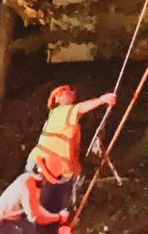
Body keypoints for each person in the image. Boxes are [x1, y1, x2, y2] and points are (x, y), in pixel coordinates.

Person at [26, 85, 116, 216]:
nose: (71, 93)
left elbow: (71, 149)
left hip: (60, 174)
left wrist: (76, 169)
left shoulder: (71, 124)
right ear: (56, 98)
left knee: (55, 211)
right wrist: (102, 100)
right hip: (44, 168)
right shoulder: (60, 112)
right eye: (65, 91)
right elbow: (80, 109)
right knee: (37, 210)